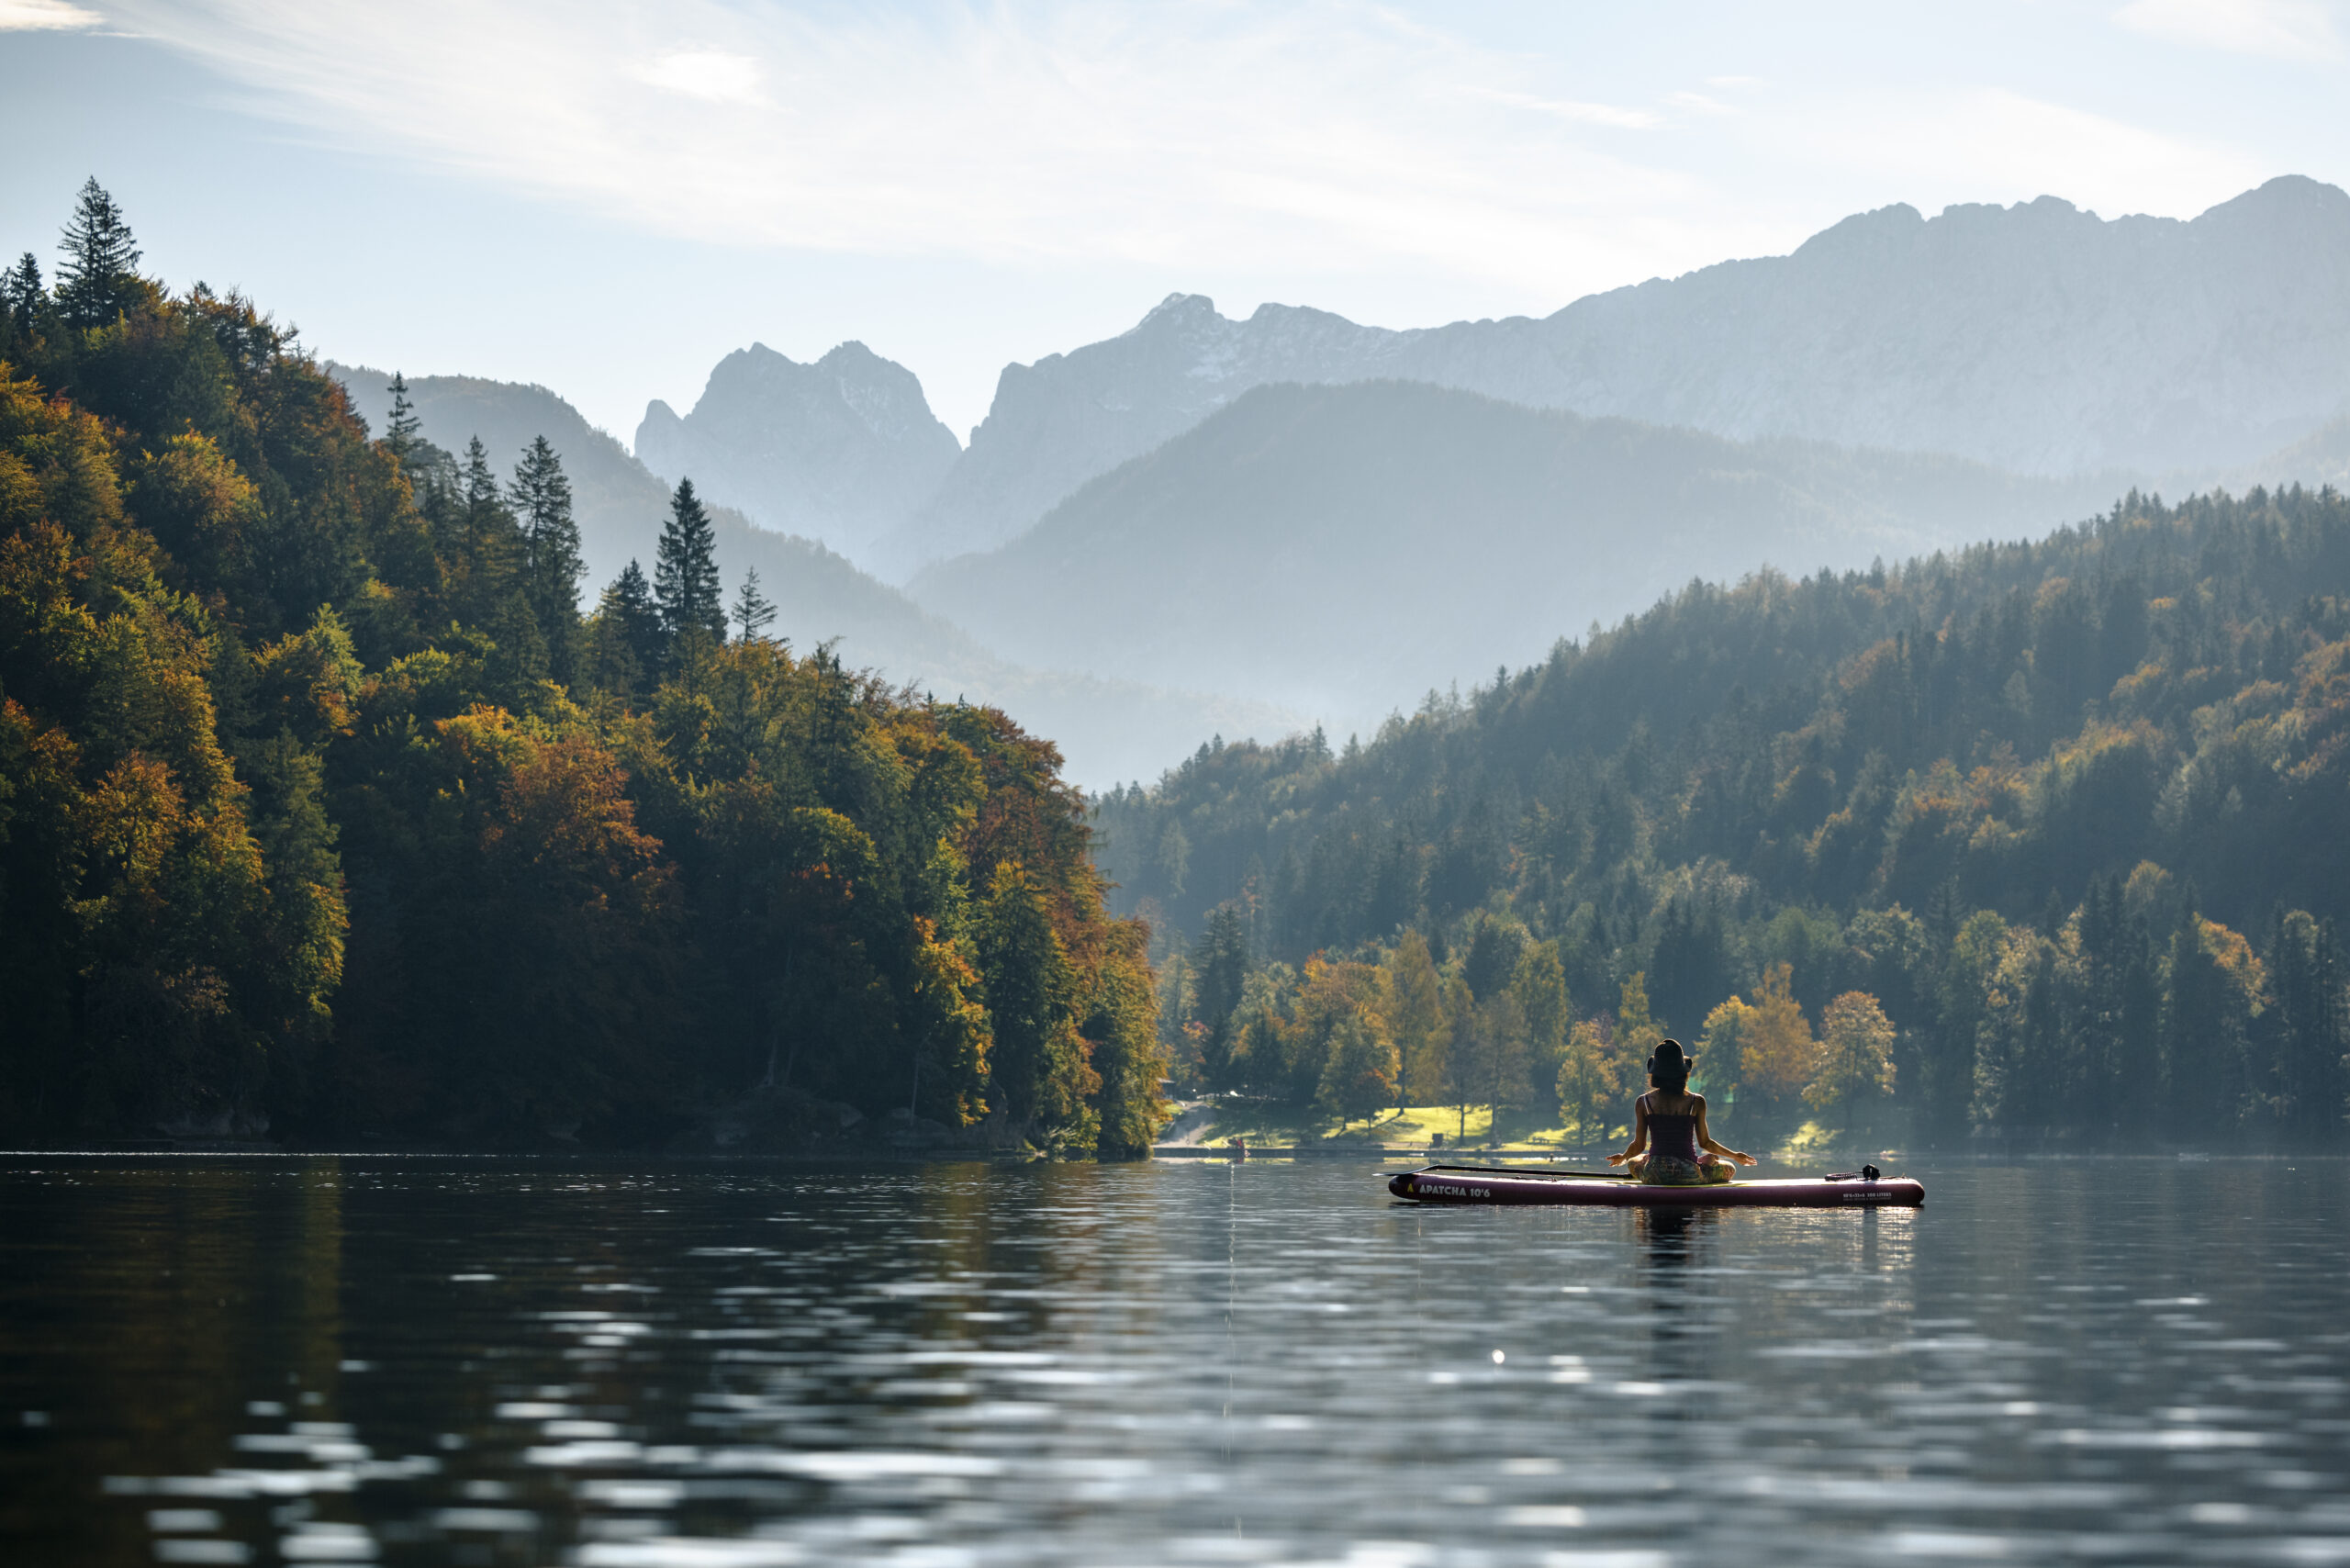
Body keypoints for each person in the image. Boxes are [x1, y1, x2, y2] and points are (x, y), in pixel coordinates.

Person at [1606, 1039, 1756, 1185]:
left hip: (1654, 1173)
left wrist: (1624, 1157)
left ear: (1655, 1074)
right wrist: (1735, 1156)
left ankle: (1659, 1165)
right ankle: (1701, 1169)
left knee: (1633, 1161)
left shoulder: (1643, 1102)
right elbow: (1705, 1143)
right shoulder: (1696, 1101)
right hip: (1688, 1174)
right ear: (1683, 1073)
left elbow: (1639, 1145)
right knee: (1729, 1168)